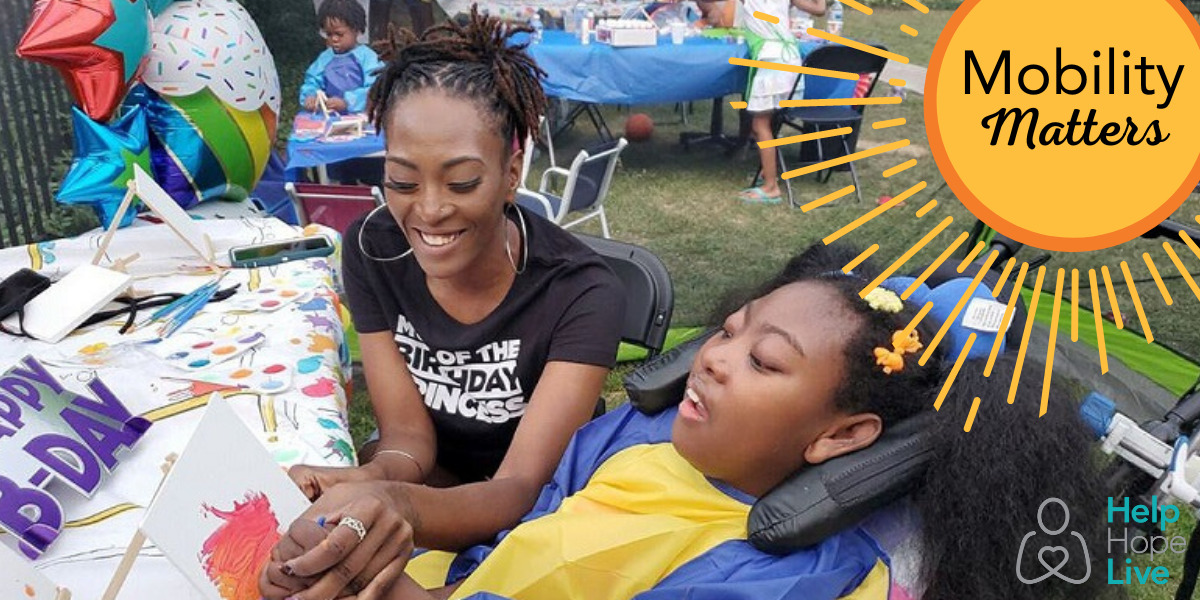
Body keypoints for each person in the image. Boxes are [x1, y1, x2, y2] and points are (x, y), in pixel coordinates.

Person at [261, 244, 1112, 600]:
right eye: (730, 332)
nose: (711, 357)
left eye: (764, 362)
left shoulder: (781, 578)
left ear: (841, 437)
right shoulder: (656, 434)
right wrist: (394, 513)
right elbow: (523, 508)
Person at [283, 4, 627, 585]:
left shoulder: (581, 291)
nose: (431, 210)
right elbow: (407, 440)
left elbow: (519, 487)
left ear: (512, 169)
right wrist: (370, 482)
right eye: (401, 180)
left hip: (542, 515)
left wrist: (400, 505)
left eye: (462, 181)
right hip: (430, 487)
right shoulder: (371, 249)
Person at [734, 0, 827, 204]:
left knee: (760, 125)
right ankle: (768, 173)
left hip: (772, 61)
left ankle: (771, 187)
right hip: (790, 59)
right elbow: (820, 9)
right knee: (771, 119)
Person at [301, 0, 386, 114]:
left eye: (339, 34)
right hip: (329, 116)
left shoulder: (368, 58)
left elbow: (376, 88)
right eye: (329, 34)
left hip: (363, 118)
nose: (334, 39)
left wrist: (347, 102)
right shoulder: (325, 58)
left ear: (356, 30)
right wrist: (310, 96)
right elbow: (312, 80)